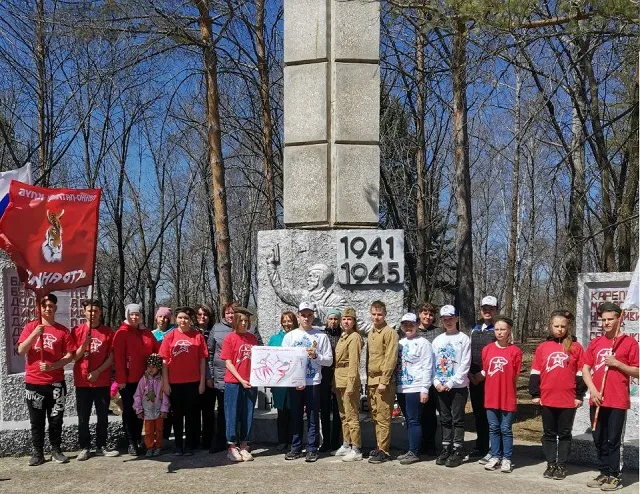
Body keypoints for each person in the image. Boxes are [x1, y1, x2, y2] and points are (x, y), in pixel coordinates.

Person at [582, 302, 639, 491]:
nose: (606, 323)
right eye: (603, 320)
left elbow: (637, 371)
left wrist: (617, 364)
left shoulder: (629, 343)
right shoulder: (596, 343)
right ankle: (604, 471)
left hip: (617, 400)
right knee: (598, 438)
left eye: (610, 319)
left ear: (619, 319)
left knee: (613, 440)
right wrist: (593, 390)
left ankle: (615, 475)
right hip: (597, 398)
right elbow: (585, 369)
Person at [17, 293, 75, 466]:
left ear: (55, 308)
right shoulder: (30, 327)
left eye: (51, 306)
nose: (48, 308)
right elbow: (21, 350)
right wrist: (35, 333)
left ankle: (56, 450)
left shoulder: (62, 330)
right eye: (45, 306)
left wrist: (53, 366)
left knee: (56, 419)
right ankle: (38, 452)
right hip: (34, 383)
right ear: (39, 308)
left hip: (56, 383)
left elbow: (70, 355)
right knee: (37, 421)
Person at [529, 310, 585, 480]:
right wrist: (535, 393)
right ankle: (550, 463)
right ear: (550, 326)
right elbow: (535, 371)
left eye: (563, 326)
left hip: (568, 399)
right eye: (556, 326)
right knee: (549, 433)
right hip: (547, 398)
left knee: (565, 433)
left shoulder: (576, 347)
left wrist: (579, 395)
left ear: (568, 327)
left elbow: (581, 373)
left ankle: (561, 465)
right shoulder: (543, 347)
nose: (560, 329)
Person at [282, 301, 333, 462]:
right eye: (303, 315)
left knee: (312, 415)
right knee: (296, 415)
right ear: (298, 316)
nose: (306, 318)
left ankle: (312, 448)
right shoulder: (290, 336)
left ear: (313, 316)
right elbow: (284, 360)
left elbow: (329, 361)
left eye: (309, 315)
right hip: (296, 382)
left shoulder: (321, 336)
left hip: (313, 381)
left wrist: (316, 356)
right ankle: (295, 447)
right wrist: (293, 378)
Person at [71, 299, 119, 460]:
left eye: (96, 311)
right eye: (90, 311)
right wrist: (84, 344)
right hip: (83, 381)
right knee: (83, 416)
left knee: (103, 415)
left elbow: (112, 356)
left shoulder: (108, 332)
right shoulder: (77, 330)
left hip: (101, 380)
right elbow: (74, 357)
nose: (93, 314)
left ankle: (101, 445)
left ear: (101, 312)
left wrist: (98, 371)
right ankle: (85, 447)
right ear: (84, 312)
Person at [160, 306, 208, 456]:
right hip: (174, 382)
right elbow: (164, 361)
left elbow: (202, 361)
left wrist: (201, 382)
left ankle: (189, 445)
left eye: (186, 318)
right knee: (177, 416)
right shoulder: (170, 336)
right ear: (176, 319)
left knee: (191, 415)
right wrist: (165, 383)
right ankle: (178, 445)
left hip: (193, 382)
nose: (183, 321)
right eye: (180, 318)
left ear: (190, 320)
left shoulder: (197, 336)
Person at [113, 303, 159, 456]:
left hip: (145, 380)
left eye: (137, 314)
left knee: (142, 410)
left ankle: (140, 439)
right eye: (132, 314)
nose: (135, 317)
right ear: (127, 315)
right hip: (128, 380)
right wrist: (121, 379)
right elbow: (118, 358)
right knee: (130, 411)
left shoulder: (146, 333)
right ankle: (131, 441)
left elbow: (156, 351)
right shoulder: (121, 333)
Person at [481, 315, 522, 474]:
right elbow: (486, 371)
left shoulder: (515, 351)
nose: (499, 332)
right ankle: (495, 455)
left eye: (503, 329)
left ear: (509, 331)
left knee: (505, 428)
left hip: (507, 396)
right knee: (493, 427)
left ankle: (507, 458)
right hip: (491, 395)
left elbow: (515, 375)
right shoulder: (487, 349)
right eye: (497, 329)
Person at [432, 304, 471, 468]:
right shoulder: (438, 340)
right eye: (445, 319)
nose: (448, 322)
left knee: (458, 419)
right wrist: (436, 382)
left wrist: (451, 382)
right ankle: (446, 447)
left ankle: (457, 449)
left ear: (456, 319)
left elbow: (465, 363)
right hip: (440, 386)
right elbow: (431, 363)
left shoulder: (463, 338)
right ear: (441, 320)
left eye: (451, 318)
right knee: (445, 419)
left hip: (458, 386)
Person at [220, 307, 258, 462]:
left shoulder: (252, 338)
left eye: (246, 321)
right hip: (234, 383)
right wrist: (240, 379)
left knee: (248, 413)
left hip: (251, 382)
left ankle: (244, 445)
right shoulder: (229, 338)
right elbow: (228, 362)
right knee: (232, 414)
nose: (243, 323)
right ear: (235, 322)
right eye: (241, 321)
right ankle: (231, 446)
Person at [396, 312, 433, 465]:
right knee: (408, 420)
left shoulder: (424, 343)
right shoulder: (400, 342)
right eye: (405, 324)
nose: (408, 327)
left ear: (417, 325)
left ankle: (415, 451)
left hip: (416, 387)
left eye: (411, 324)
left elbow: (428, 366)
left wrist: (425, 388)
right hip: (402, 386)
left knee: (414, 420)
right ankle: (411, 448)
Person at [366, 300, 399, 464]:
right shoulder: (371, 333)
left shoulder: (390, 333)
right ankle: (379, 446)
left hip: (382, 381)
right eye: (374, 314)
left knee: (384, 417)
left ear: (385, 314)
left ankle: (384, 451)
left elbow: (390, 358)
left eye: (379, 314)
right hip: (372, 379)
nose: (376, 317)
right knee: (375, 416)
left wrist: (384, 380)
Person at [468, 295, 498, 463]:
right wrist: (470, 373)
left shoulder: (500, 328)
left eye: (491, 308)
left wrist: (483, 374)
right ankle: (481, 447)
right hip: (473, 377)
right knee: (479, 414)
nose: (487, 311)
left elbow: (501, 354)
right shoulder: (475, 327)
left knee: (492, 415)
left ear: (496, 310)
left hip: (491, 377)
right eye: (484, 308)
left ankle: (495, 449)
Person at [332, 307, 364, 462]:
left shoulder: (355, 337)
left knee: (351, 415)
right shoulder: (343, 336)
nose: (346, 321)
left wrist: (351, 384)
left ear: (354, 321)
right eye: (344, 319)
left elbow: (353, 363)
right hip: (339, 379)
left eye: (349, 319)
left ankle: (356, 448)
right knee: (343, 414)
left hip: (348, 380)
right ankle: (346, 443)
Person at [207, 301, 237, 453]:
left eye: (233, 312)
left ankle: (237, 440)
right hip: (221, 376)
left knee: (239, 410)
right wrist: (210, 375)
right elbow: (210, 353)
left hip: (241, 377)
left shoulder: (249, 328)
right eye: (228, 313)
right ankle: (220, 440)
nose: (231, 315)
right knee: (223, 411)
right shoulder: (217, 329)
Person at [268, 311, 298, 451]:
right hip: (279, 383)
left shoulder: (298, 337)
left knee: (294, 413)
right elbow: (268, 359)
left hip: (294, 381)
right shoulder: (274, 339)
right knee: (281, 413)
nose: (287, 324)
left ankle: (293, 441)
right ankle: (282, 441)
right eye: (284, 321)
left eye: (289, 321)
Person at [416, 302, 443, 455]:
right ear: (419, 314)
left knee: (433, 414)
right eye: (425, 313)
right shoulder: (412, 331)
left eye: (431, 314)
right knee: (420, 414)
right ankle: (419, 443)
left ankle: (431, 444)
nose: (427, 317)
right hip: (418, 378)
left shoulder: (439, 332)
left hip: (436, 378)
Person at [133, 353, 169, 457]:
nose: (150, 369)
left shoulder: (162, 380)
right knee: (148, 431)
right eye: (148, 367)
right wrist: (138, 409)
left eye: (153, 367)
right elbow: (138, 395)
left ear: (158, 367)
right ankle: (149, 447)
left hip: (158, 409)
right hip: (147, 410)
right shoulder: (144, 379)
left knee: (159, 430)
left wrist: (164, 409)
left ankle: (158, 447)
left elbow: (165, 395)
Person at [319, 308, 342, 452]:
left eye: (335, 319)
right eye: (331, 319)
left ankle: (336, 441)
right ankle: (326, 441)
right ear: (326, 320)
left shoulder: (343, 335)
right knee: (325, 410)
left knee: (338, 409)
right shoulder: (321, 335)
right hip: (324, 375)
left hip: (338, 375)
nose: (333, 321)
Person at [195, 303, 215, 449]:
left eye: (205, 314)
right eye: (200, 314)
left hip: (209, 375)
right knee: (194, 410)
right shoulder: (190, 331)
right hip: (192, 376)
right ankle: (194, 439)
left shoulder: (213, 332)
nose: (203, 317)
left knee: (208, 410)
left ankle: (207, 440)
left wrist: (209, 376)